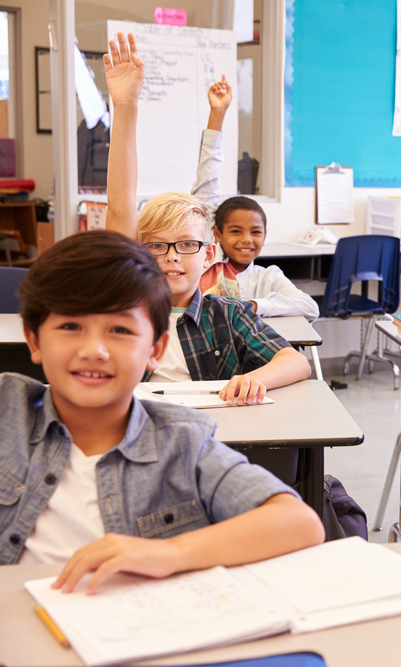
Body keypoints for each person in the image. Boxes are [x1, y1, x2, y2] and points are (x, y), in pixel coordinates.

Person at [2, 230, 325, 592]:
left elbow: (299, 522)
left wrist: (169, 553)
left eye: (120, 330)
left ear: (155, 350)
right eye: (71, 327)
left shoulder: (182, 442)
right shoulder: (8, 410)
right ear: (34, 340)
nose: (94, 350)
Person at [102, 32, 312, 405]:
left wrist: (253, 380)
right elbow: (119, 206)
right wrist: (125, 105)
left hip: (210, 434)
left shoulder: (227, 314)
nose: (171, 256)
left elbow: (296, 363)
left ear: (209, 253)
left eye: (186, 245)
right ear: (137, 251)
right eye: (156, 245)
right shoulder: (126, 303)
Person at [192, 77, 320, 319]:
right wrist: (217, 114)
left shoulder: (267, 276)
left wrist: (255, 306)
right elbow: (207, 178)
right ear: (216, 233)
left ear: (265, 234)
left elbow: (310, 308)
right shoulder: (204, 263)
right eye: (236, 231)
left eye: (256, 231)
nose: (247, 240)